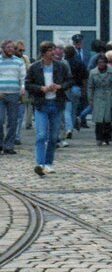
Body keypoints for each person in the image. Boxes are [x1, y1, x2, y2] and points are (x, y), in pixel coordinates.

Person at [25, 40, 72, 176]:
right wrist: (41, 88)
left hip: (56, 104)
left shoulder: (61, 66)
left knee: (53, 136)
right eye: (51, 50)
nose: (54, 52)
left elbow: (69, 81)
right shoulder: (34, 67)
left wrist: (60, 86)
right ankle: (40, 164)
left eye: (54, 50)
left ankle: (48, 163)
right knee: (41, 135)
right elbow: (28, 84)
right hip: (41, 104)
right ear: (44, 53)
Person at [87, 54, 112, 145]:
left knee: (108, 119)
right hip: (98, 97)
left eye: (103, 62)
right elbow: (90, 86)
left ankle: (107, 138)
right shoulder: (92, 72)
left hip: (109, 96)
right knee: (99, 120)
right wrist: (90, 98)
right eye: (100, 62)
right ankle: (99, 138)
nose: (101, 64)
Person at [0, 40, 25, 154]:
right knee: (0, 119)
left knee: (13, 120)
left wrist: (22, 87)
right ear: (3, 48)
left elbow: (22, 77)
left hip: (14, 93)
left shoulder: (19, 62)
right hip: (1, 93)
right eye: (8, 47)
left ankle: (9, 145)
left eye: (12, 47)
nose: (11, 49)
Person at [15, 41, 31, 131]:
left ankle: (17, 135)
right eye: (20, 50)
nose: (22, 52)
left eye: (23, 50)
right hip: (11, 88)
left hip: (23, 88)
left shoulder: (25, 59)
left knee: (21, 113)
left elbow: (28, 71)